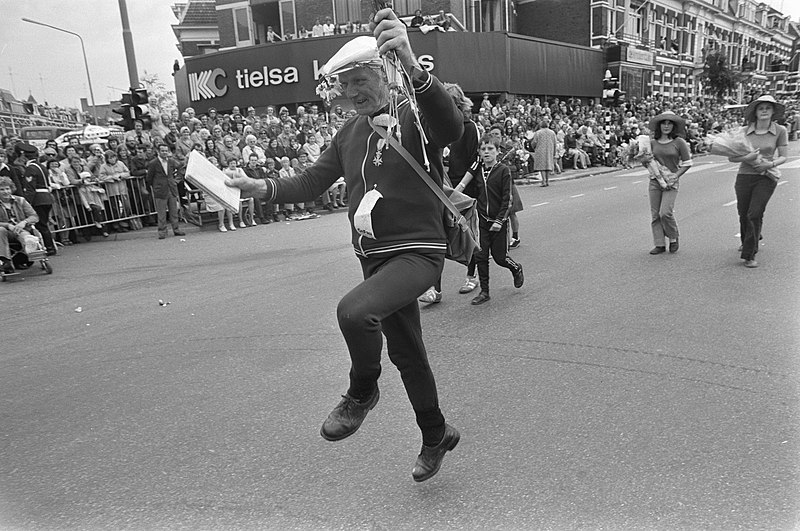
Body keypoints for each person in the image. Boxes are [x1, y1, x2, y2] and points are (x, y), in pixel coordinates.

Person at [226, 10, 463, 482]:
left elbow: (451, 128)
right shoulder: (349, 131)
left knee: (354, 313)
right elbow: (312, 181)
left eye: (360, 80)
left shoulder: (413, 109)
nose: (352, 92)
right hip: (373, 259)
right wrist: (259, 186)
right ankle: (436, 434)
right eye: (345, 85)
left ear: (383, 75)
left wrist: (415, 69)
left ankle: (361, 392)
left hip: (418, 253)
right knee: (408, 355)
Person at [419, 82, 480, 303]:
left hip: (465, 187)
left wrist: (460, 188)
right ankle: (435, 289)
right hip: (444, 185)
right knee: (438, 234)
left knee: (467, 233)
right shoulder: (433, 128)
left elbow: (476, 160)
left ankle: (472, 276)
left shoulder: (469, 127)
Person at [456, 135, 524, 305]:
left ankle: (516, 268)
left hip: (499, 221)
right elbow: (464, 185)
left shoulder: (503, 170)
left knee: (500, 257)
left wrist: (500, 220)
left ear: (498, 152)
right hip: (483, 221)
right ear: (479, 152)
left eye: (490, 149)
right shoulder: (477, 170)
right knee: (481, 256)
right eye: (483, 149)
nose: (486, 152)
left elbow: (507, 199)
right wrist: (451, 198)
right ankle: (484, 292)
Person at [728, 95, 787, 268]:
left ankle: (749, 253)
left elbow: (784, 156)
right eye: (761, 108)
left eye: (767, 108)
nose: (764, 111)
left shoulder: (780, 131)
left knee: (754, 213)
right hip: (745, 176)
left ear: (773, 112)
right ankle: (750, 238)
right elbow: (732, 157)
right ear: (755, 112)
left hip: (766, 177)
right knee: (743, 212)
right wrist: (748, 157)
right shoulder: (744, 131)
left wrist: (770, 163)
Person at [645, 111, 692, 255]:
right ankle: (659, 244)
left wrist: (676, 176)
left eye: (669, 123)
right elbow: (647, 161)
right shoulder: (652, 143)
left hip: (671, 182)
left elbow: (687, 163)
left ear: (674, 126)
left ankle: (673, 237)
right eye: (663, 123)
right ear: (659, 126)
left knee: (665, 212)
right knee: (655, 215)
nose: (666, 126)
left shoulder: (679, 142)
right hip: (655, 181)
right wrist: (646, 162)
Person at [16, 143, 56, 255]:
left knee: (41, 224)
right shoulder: (41, 166)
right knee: (43, 224)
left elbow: (30, 188)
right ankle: (50, 246)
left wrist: (26, 203)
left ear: (24, 156)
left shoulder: (30, 168)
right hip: (46, 197)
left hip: (38, 199)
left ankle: (49, 248)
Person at [0, 176, 40, 274]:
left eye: (7, 189)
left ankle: (31, 248)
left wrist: (24, 222)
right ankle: (6, 260)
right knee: (1, 230)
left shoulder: (20, 200)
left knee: (25, 236)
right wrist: (7, 225)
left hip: (20, 229)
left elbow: (34, 216)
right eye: (2, 189)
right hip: (5, 233)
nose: (6, 192)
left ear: (11, 189)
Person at [146, 144, 186, 239]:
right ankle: (162, 232)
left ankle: (176, 229)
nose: (164, 152)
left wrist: (176, 180)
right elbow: (149, 178)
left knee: (174, 211)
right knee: (161, 213)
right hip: (160, 190)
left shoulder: (171, 161)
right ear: (158, 152)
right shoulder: (153, 163)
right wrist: (156, 186)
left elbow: (181, 168)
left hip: (171, 189)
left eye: (166, 151)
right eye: (162, 151)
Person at [530, 118, 558, 187]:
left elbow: (534, 142)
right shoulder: (552, 132)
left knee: (542, 166)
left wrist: (533, 147)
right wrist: (554, 151)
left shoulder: (538, 133)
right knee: (548, 166)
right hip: (549, 150)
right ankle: (547, 180)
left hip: (540, 150)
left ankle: (544, 181)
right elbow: (555, 143)